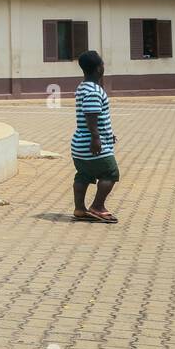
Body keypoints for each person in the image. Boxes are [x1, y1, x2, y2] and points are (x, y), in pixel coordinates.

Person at [71, 49, 118, 223]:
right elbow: (92, 116)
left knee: (83, 174)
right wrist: (97, 138)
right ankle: (97, 207)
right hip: (92, 144)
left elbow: (95, 116)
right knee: (110, 173)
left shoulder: (83, 87)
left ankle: (80, 209)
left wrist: (108, 134)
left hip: (79, 145)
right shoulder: (93, 91)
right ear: (99, 69)